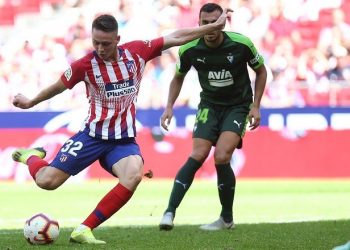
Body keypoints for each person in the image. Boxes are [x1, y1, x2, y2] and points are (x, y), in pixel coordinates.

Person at [11, 11, 232, 244]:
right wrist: (31, 102)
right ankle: (32, 157)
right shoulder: (84, 65)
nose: (99, 48)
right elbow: (58, 87)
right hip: (92, 136)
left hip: (123, 141)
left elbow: (175, 37)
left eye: (105, 43)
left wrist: (210, 28)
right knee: (47, 181)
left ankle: (84, 229)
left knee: (134, 174)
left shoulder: (137, 52)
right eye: (95, 42)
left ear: (117, 39)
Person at [159, 3, 267, 231]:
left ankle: (226, 218)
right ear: (198, 24)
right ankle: (169, 212)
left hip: (237, 106)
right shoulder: (189, 49)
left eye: (214, 23)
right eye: (204, 23)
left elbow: (261, 71)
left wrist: (255, 106)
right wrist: (169, 106)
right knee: (198, 153)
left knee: (221, 156)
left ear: (223, 23)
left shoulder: (241, 44)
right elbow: (178, 77)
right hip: (209, 104)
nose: (209, 28)